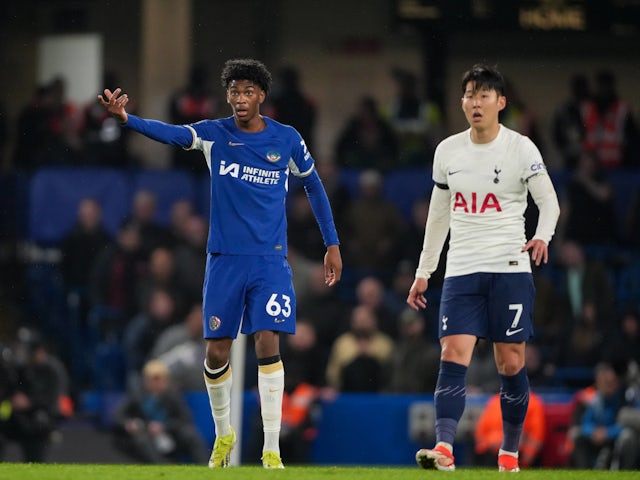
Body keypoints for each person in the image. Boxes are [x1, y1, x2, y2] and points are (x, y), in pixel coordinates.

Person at [99, 58, 342, 469]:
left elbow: (314, 186)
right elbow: (173, 134)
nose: (240, 98)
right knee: (215, 352)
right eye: (234, 91)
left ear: (262, 95)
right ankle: (224, 434)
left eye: (248, 91)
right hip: (224, 261)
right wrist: (127, 119)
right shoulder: (215, 134)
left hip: (269, 261)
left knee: (269, 341)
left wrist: (331, 243)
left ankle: (271, 449)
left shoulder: (286, 139)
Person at [406, 63, 560, 472]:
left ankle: (509, 453)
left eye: (484, 95)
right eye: (470, 95)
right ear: (462, 102)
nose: (476, 102)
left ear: (501, 102)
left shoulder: (521, 148)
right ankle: (444, 448)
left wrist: (542, 236)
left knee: (510, 363)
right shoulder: (447, 151)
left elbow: (549, 202)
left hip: (510, 268)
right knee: (451, 353)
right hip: (461, 269)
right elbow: (438, 217)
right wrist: (425, 271)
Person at [112, 359, 209, 464]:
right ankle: (164, 469)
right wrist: (129, 423)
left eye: (160, 380)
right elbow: (117, 415)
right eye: (153, 380)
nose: (156, 384)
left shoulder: (173, 396)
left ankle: (205, 467)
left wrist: (164, 427)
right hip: (146, 433)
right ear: (146, 380)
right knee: (142, 440)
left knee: (191, 434)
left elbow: (185, 419)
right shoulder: (137, 395)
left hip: (170, 433)